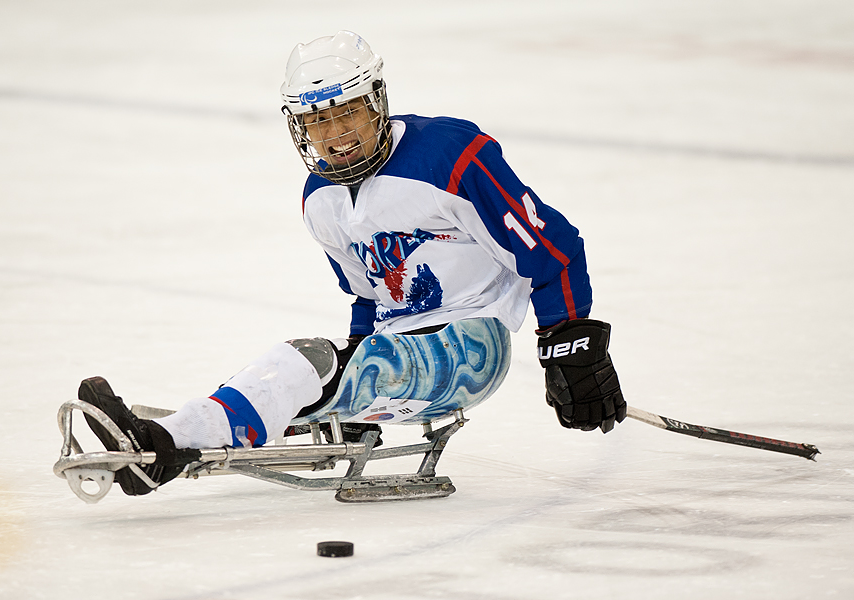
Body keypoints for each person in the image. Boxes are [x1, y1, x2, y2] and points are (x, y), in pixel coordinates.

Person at [78, 30, 626, 497]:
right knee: (314, 367)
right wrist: (348, 387)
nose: (336, 135)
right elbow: (370, 297)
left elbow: (553, 248)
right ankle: (172, 441)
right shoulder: (321, 200)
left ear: (377, 103)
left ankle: (171, 439)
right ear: (300, 128)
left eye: (348, 114)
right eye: (319, 121)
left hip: (472, 343)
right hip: (397, 349)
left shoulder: (452, 157)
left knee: (315, 364)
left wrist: (571, 345)